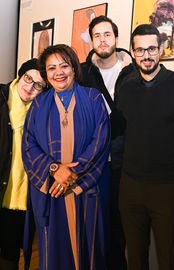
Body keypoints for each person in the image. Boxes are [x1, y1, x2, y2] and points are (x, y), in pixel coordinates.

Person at [22, 44, 110, 270]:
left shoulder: (93, 98)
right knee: (54, 252)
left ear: (73, 68)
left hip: (84, 188)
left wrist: (72, 172)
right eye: (51, 68)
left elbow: (100, 141)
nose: (58, 72)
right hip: (52, 190)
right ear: (46, 73)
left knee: (89, 251)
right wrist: (54, 169)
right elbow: (29, 144)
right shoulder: (38, 104)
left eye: (64, 65)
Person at [116, 24, 174, 270]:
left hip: (168, 188)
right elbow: (118, 134)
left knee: (168, 256)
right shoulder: (125, 87)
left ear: (162, 49)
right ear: (132, 51)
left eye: (151, 48)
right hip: (130, 186)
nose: (146, 55)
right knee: (135, 257)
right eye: (139, 50)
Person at [81, 15, 133, 270]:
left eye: (107, 34)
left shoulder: (134, 70)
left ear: (116, 38)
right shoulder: (82, 73)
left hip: (126, 163)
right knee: (93, 229)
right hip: (93, 163)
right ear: (91, 40)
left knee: (121, 229)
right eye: (97, 36)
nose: (102, 40)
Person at [0, 58, 46, 270]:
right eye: (28, 79)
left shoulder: (39, 114)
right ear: (20, 76)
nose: (30, 87)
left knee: (10, 254)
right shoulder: (2, 98)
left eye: (38, 85)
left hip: (19, 197)